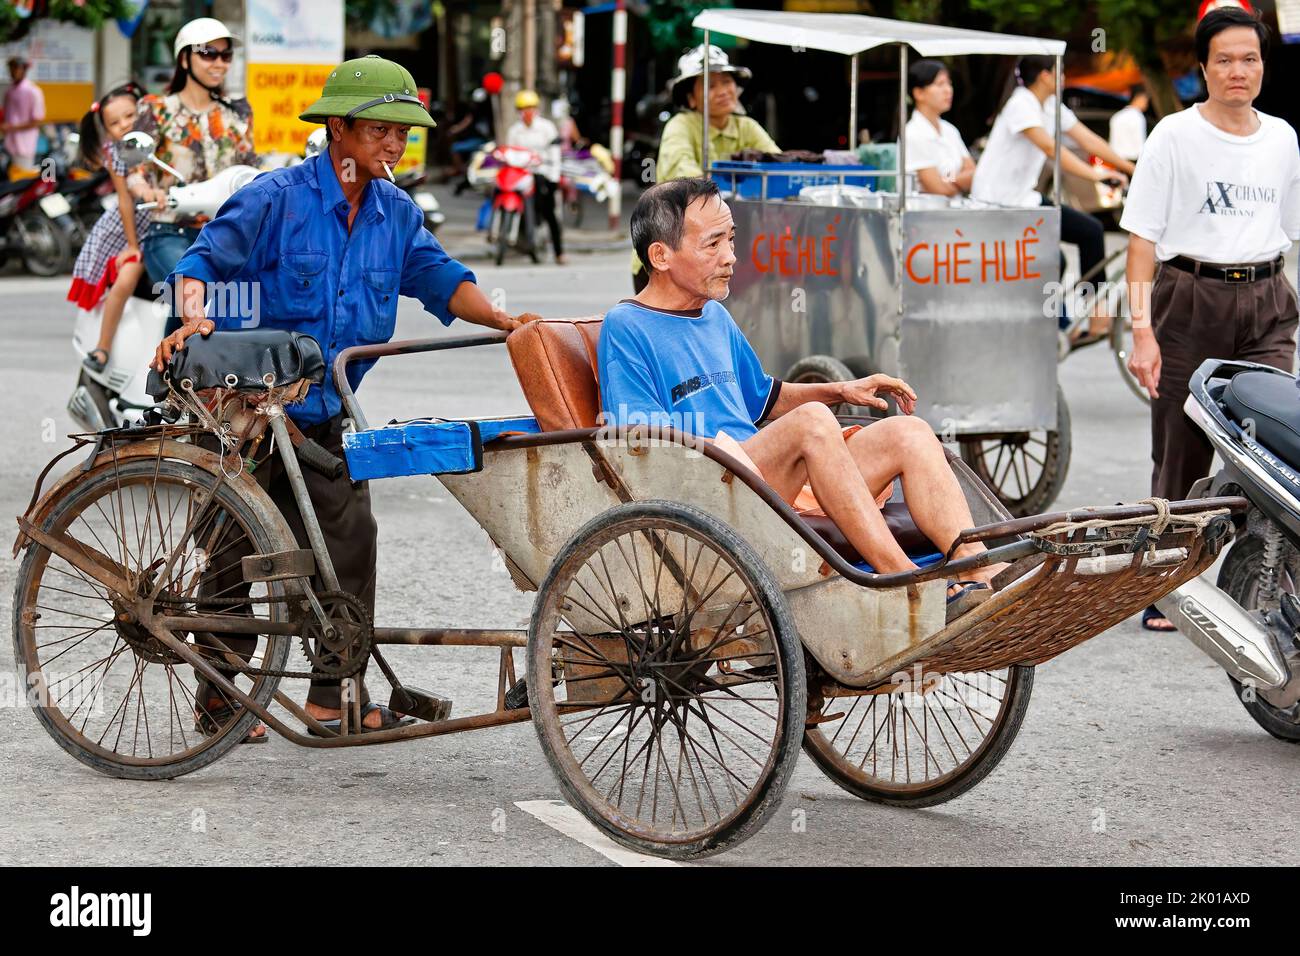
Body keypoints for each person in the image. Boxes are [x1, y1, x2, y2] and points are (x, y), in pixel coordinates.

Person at [151, 55, 542, 739]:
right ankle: (218, 695)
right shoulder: (277, 197)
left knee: (351, 545)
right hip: (247, 415)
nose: (395, 144)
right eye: (382, 129)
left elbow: (441, 280)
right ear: (338, 127)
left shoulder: (395, 213)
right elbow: (202, 261)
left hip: (322, 416)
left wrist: (505, 320)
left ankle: (331, 699)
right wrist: (192, 313)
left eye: (404, 132)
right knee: (231, 556)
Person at [600, 178, 1007, 611]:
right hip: (708, 492)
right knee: (812, 423)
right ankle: (904, 582)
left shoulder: (714, 316)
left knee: (909, 431)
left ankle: (976, 570)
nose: (730, 257)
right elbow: (636, 434)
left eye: (731, 240)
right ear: (660, 255)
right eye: (713, 244)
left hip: (772, 475)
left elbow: (766, 397)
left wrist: (843, 389)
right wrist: (731, 448)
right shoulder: (626, 327)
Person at [1123, 7, 1300, 631]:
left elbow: (1292, 231)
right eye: (1223, 59)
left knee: (1275, 441)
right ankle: (1168, 583)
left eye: (1249, 58)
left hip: (1267, 299)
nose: (1237, 71)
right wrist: (1142, 332)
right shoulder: (1173, 134)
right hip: (1188, 298)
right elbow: (1141, 243)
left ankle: (1267, 577)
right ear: (1202, 67)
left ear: (1263, 66)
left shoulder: (1283, 137)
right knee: (1182, 446)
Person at [971, 55, 1137, 347]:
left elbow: (1089, 141)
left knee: (1065, 251)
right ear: (1045, 76)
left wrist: (1130, 168)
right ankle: (1090, 316)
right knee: (1084, 235)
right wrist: (1096, 175)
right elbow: (1050, 147)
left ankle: (1061, 325)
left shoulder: (1050, 106)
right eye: (1059, 73)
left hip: (1025, 200)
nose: (1063, 79)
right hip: (998, 204)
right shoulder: (1021, 104)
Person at [127, 17, 256, 322]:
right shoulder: (156, 108)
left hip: (225, 232)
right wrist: (147, 189)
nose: (219, 63)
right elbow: (135, 167)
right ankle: (169, 368)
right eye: (208, 53)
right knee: (191, 294)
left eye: (225, 55)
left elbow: (249, 168)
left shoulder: (237, 112)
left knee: (250, 299)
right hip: (170, 231)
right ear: (185, 58)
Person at [633, 44, 779, 292]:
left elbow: (777, 165)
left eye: (727, 82)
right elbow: (687, 177)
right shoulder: (681, 126)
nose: (722, 91)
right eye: (710, 85)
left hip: (725, 256)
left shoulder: (747, 127)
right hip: (673, 259)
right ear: (691, 97)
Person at [66, 83, 152, 372]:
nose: (125, 125)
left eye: (130, 116)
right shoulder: (117, 153)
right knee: (128, 276)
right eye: (115, 123)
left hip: (167, 222)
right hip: (128, 230)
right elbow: (126, 201)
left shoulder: (163, 140)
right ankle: (102, 347)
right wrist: (132, 246)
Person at [505, 89, 565, 264]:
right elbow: (511, 154)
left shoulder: (547, 128)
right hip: (522, 175)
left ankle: (559, 252)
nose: (528, 113)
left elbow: (555, 155)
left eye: (531, 109)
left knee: (549, 212)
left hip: (543, 173)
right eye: (524, 109)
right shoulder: (514, 131)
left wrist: (553, 178)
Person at [905, 59, 975, 197]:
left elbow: (973, 172)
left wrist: (947, 181)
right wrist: (959, 180)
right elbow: (939, 189)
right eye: (940, 84)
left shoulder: (950, 130)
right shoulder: (913, 133)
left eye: (949, 83)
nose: (948, 90)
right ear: (919, 93)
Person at [2, 55, 45, 175]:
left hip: (25, 144)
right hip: (9, 143)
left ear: (23, 70)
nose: (12, 72)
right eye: (11, 68)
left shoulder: (33, 91)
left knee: (23, 177)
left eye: (16, 68)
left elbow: (36, 121)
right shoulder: (9, 91)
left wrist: (11, 127)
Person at [1108, 84, 1149, 162]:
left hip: (1115, 161)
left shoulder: (1117, 116)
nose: (1147, 103)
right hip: (1132, 161)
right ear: (1139, 97)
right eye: (1146, 99)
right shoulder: (1138, 117)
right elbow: (1140, 145)